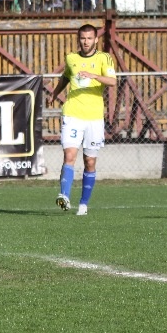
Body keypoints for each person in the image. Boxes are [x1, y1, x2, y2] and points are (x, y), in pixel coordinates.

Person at [48, 24, 116, 216]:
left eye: (89, 38)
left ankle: (84, 204)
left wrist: (93, 75)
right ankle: (64, 196)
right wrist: (55, 93)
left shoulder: (104, 58)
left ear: (96, 40)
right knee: (69, 155)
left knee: (90, 162)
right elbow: (65, 78)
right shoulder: (71, 58)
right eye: (82, 38)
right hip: (72, 114)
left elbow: (112, 81)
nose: (85, 42)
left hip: (94, 117)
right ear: (79, 39)